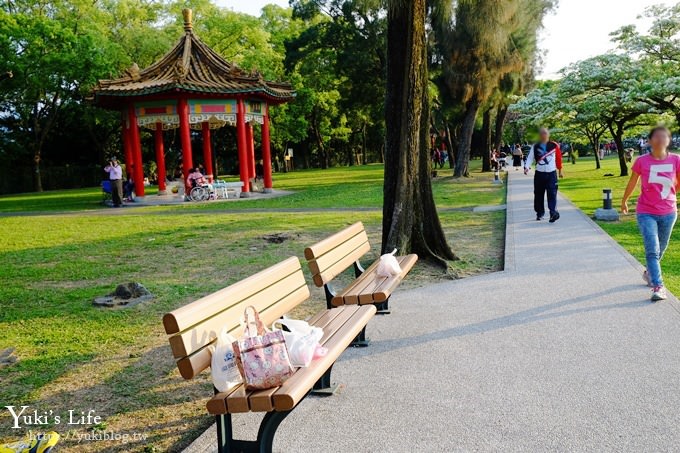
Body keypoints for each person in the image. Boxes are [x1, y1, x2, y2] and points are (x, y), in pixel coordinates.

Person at [621, 126, 679, 302]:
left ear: (669, 140)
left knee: (661, 247)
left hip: (669, 212)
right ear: (649, 141)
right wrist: (624, 200)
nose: (661, 139)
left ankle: (649, 273)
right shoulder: (642, 161)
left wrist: (669, 197)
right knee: (652, 250)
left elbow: (678, 184)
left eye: (665, 137)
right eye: (657, 137)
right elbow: (632, 182)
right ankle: (658, 286)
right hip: (646, 212)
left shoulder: (676, 160)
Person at [524, 127, 564, 223]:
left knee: (552, 193)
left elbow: (558, 159)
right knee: (538, 194)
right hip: (539, 174)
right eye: (542, 135)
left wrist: (560, 171)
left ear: (548, 135)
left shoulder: (554, 146)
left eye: (545, 134)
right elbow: (530, 158)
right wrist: (526, 167)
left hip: (551, 174)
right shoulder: (535, 146)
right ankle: (540, 213)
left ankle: (553, 213)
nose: (543, 136)